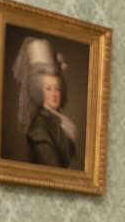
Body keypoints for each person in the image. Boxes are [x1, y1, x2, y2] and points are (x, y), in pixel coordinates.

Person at [11, 37, 78, 168]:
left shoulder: (61, 121)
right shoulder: (38, 126)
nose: (54, 94)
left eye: (56, 89)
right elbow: (52, 168)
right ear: (38, 91)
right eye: (48, 89)